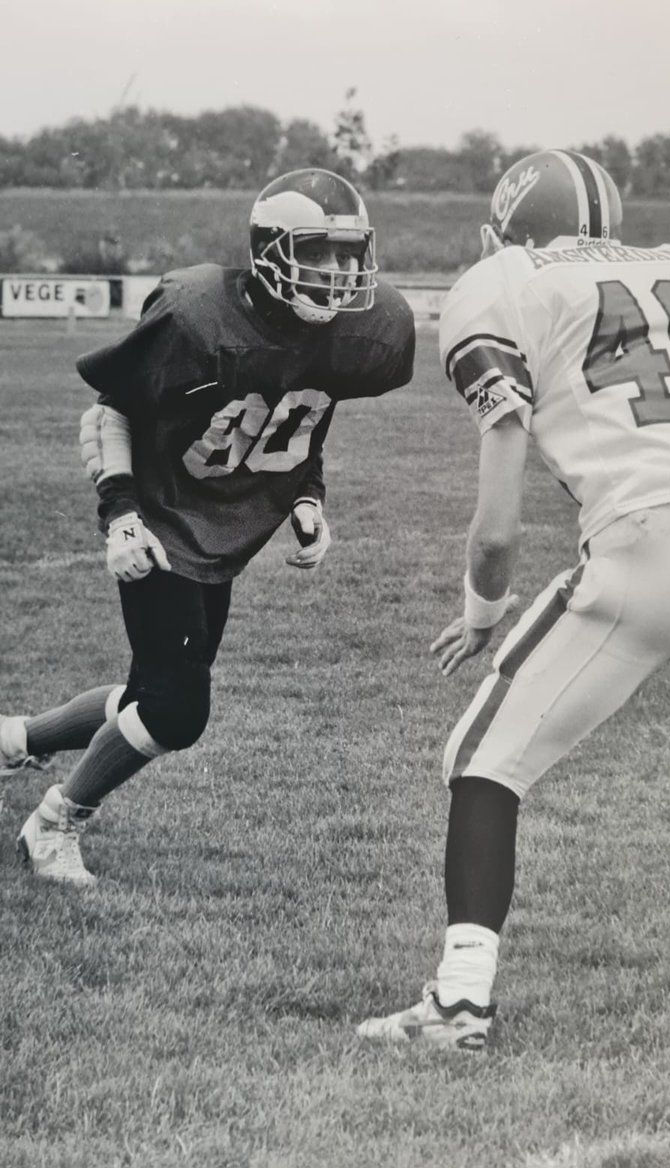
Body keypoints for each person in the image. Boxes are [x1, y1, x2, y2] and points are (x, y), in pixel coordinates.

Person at [357, 149, 670, 1051]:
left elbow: (498, 524)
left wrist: (483, 609)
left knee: (483, 758)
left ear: (497, 233)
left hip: (652, 547)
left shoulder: (500, 280)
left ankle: (459, 1005)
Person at [2, 168, 415, 886]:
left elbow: (303, 416)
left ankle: (17, 738)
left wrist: (307, 498)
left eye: (350, 255)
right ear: (271, 250)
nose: (339, 272)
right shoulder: (198, 315)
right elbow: (113, 410)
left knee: (150, 693)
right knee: (175, 708)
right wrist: (121, 516)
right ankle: (55, 823)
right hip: (161, 520)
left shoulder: (360, 332)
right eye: (319, 252)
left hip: (220, 530)